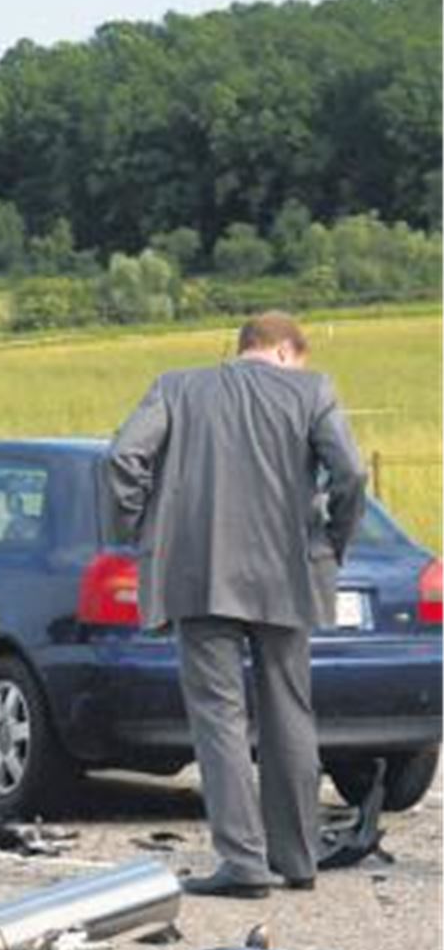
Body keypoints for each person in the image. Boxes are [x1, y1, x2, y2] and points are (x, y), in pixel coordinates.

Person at [106, 311, 367, 899]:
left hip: (198, 576)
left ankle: (243, 863)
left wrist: (137, 531)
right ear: (283, 351)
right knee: (290, 713)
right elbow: (350, 472)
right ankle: (298, 858)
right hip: (289, 577)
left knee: (218, 718)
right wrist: (331, 542)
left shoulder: (176, 387)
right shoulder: (313, 389)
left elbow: (123, 458)